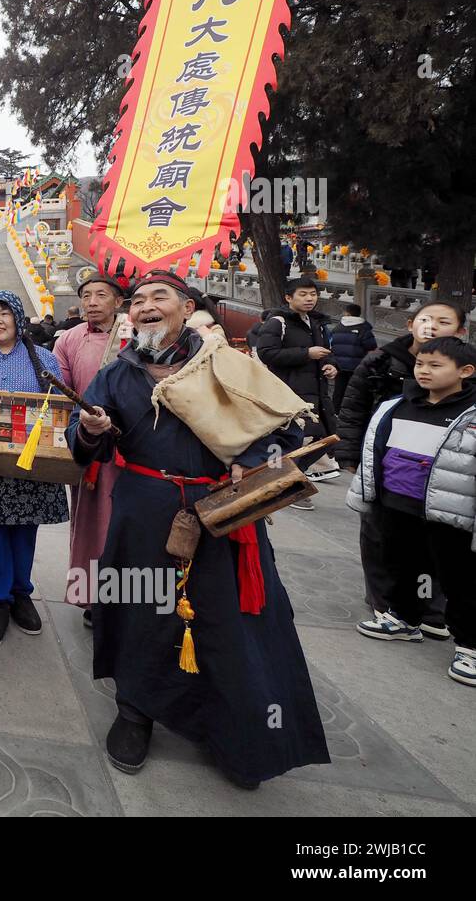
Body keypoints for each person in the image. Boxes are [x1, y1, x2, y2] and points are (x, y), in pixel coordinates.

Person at [66, 269, 329, 787]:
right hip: (144, 509)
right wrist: (92, 430)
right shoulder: (118, 373)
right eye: (136, 301)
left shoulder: (226, 364)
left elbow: (282, 425)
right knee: (143, 612)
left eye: (158, 297)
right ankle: (135, 711)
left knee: (224, 621)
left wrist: (249, 459)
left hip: (221, 510)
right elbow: (82, 443)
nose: (143, 307)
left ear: (187, 308)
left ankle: (233, 727)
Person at [348, 336, 476, 688]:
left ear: (465, 371)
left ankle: (469, 645)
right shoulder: (398, 404)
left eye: (436, 365)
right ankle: (405, 619)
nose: (424, 371)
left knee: (459, 579)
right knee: (404, 566)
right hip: (397, 504)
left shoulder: (471, 414)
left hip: (448, 513)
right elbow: (376, 449)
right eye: (421, 363)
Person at [336, 300, 468, 635]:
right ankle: (394, 610)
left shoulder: (468, 398)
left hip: (447, 494)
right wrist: (354, 459)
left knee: (452, 563)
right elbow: (355, 411)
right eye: (426, 319)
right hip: (394, 485)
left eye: (443, 321)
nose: (432, 326)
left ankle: (441, 621)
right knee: (393, 551)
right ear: (411, 323)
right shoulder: (385, 368)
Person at [0, 291, 70, 649]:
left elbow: (61, 408)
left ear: (18, 319)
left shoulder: (45, 359)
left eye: (6, 313)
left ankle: (21, 592)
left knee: (24, 531)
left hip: (29, 464)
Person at [51, 272, 128, 627]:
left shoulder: (137, 336)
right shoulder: (68, 339)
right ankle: (94, 599)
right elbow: (59, 393)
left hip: (135, 449)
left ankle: (133, 600)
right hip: (90, 446)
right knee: (92, 525)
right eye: (86, 295)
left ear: (118, 301)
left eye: (101, 295)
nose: (92, 302)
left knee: (129, 525)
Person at [253, 277, 339, 489]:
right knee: (300, 439)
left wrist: (330, 365)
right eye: (303, 294)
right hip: (289, 392)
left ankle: (291, 478)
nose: (310, 299)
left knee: (328, 437)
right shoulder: (278, 321)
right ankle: (285, 484)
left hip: (316, 392)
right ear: (288, 298)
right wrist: (306, 354)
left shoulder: (316, 323)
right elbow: (266, 353)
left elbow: (325, 352)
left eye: (313, 294)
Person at [326, 303, 377, 412]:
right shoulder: (364, 329)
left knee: (339, 390)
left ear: (346, 313)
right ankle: (353, 411)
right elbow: (372, 347)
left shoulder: (337, 328)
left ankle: (336, 411)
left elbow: (331, 345)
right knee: (356, 390)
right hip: (357, 366)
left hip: (339, 366)